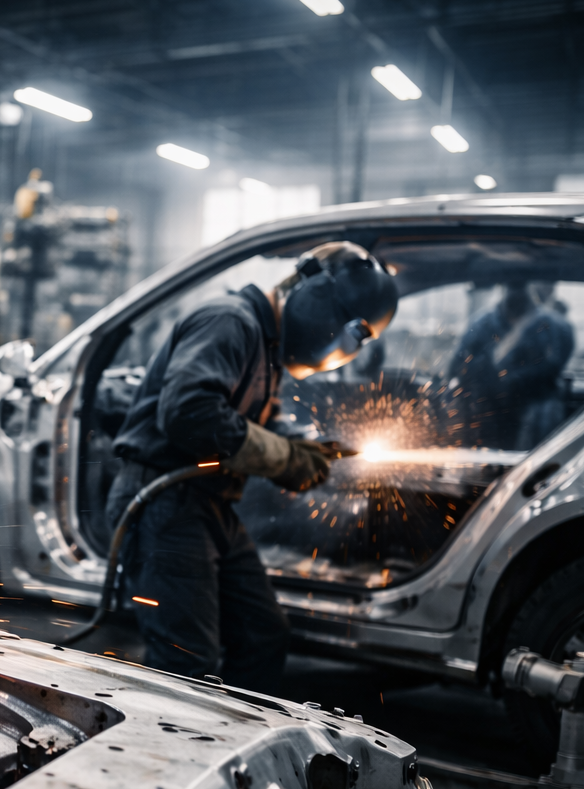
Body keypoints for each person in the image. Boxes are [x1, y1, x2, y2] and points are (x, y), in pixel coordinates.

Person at [104, 242, 399, 692]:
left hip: (209, 504)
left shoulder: (267, 343)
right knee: (187, 662)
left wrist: (308, 447)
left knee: (263, 636)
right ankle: (174, 753)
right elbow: (190, 410)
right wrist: (285, 458)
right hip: (162, 499)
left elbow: (255, 419)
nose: (342, 347)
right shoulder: (230, 321)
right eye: (348, 331)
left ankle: (232, 752)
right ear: (317, 296)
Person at [448, 281, 575, 449]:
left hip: (536, 421)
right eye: (513, 282)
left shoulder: (555, 328)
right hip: (487, 416)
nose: (516, 290)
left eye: (521, 282)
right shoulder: (480, 325)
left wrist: (512, 380)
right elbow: (457, 368)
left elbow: (553, 367)